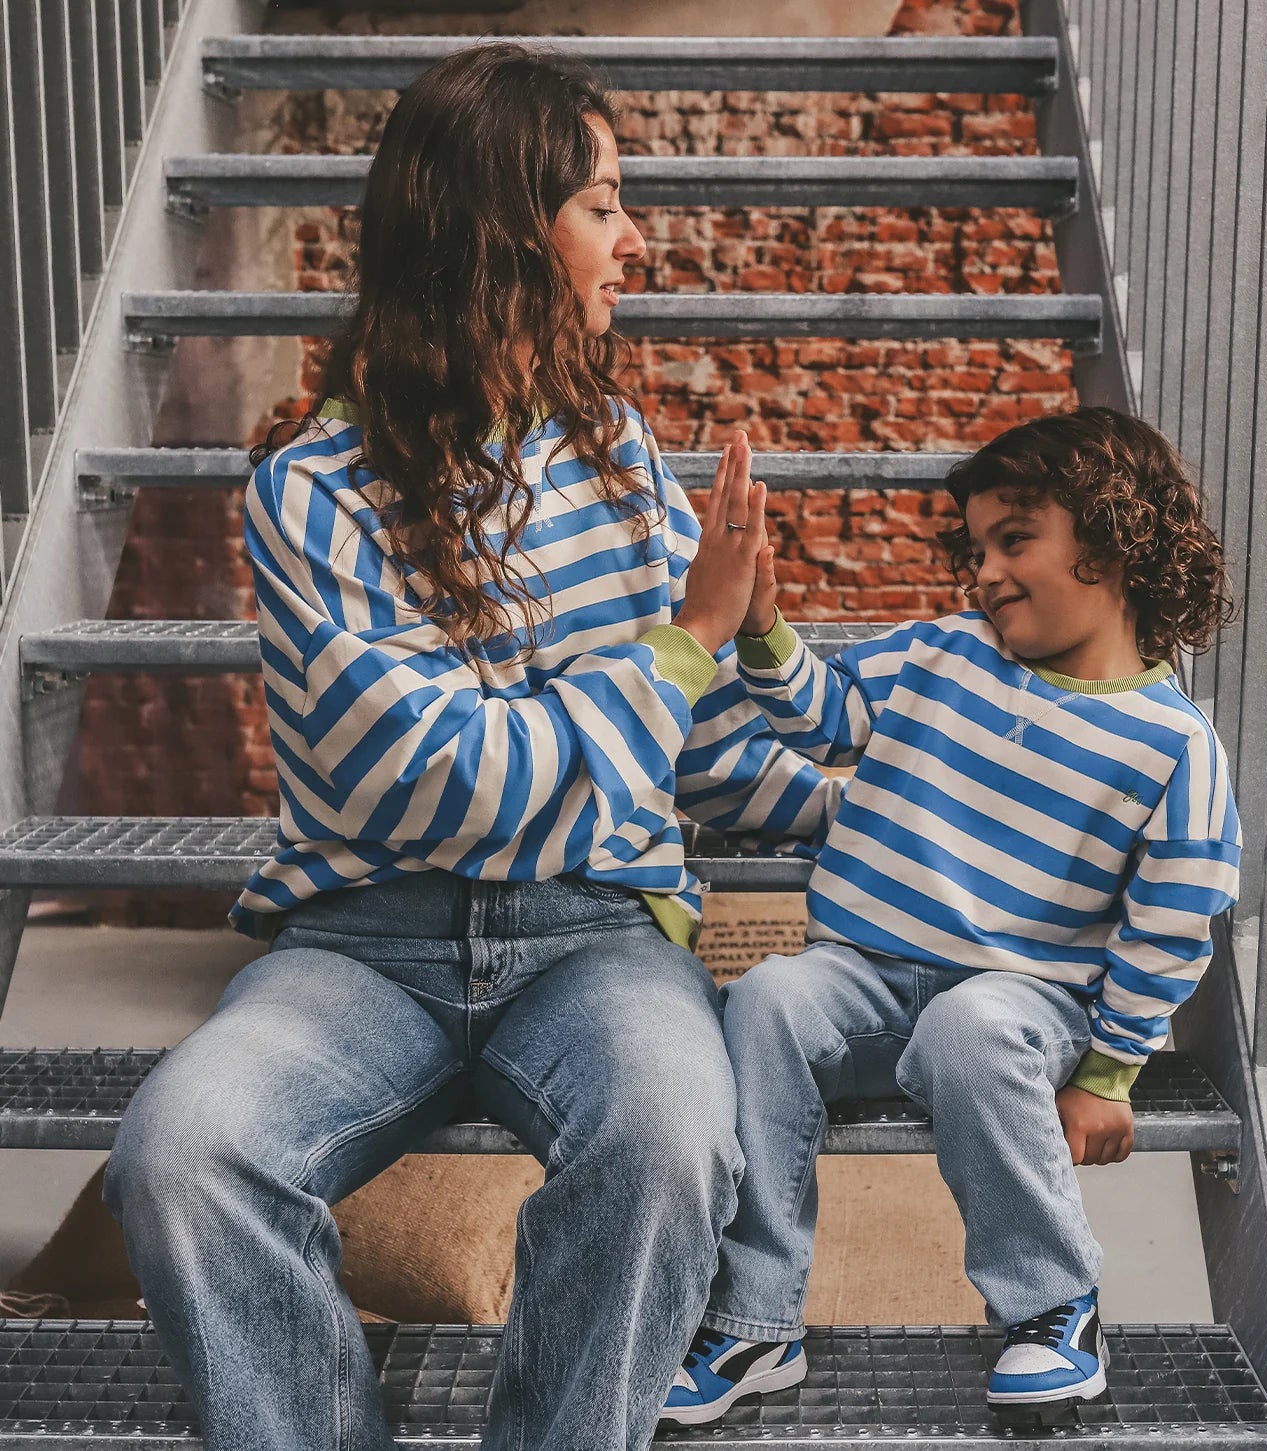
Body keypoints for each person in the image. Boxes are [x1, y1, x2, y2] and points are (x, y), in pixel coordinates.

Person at [102, 44, 838, 1451]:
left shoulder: (619, 455)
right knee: (184, 1150)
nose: (633, 241)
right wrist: (685, 637)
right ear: (504, 231)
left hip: (594, 935)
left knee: (669, 1135)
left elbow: (691, 749)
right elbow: (452, 781)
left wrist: (883, 807)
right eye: (602, 206)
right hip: (363, 942)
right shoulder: (312, 492)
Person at [662, 407, 1242, 1427]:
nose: (985, 572)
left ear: (1113, 542)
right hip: (866, 976)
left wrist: (1108, 1074)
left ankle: (1050, 1307)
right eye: (975, 549)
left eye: (1014, 540)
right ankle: (754, 1318)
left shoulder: (1172, 745)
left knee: (968, 1025)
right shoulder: (941, 653)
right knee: (766, 997)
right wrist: (761, 623)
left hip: (1025, 999)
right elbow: (826, 717)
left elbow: (1169, 922)